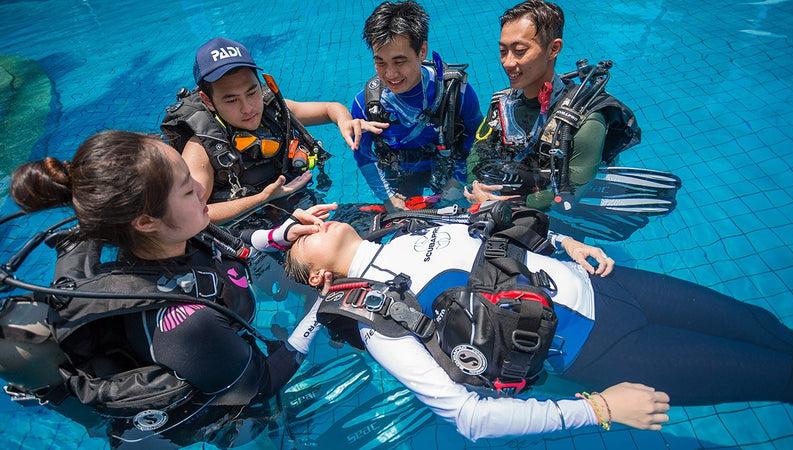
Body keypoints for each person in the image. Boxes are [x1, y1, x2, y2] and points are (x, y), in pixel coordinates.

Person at [283, 216, 793, 440]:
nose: (311, 225)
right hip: (607, 349)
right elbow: (469, 417)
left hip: (613, 285)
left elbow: (498, 240)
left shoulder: (403, 227)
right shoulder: (380, 322)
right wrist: (598, 408)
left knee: (764, 326)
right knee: (779, 376)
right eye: (301, 239)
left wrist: (565, 242)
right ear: (321, 278)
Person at [3, 131, 334, 448]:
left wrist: (278, 236)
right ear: (146, 221)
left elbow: (222, 246)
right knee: (259, 429)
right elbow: (261, 386)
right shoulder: (186, 323)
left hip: (214, 348)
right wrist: (321, 307)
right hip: (213, 410)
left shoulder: (165, 235)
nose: (202, 189)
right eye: (187, 190)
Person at [162, 37, 384, 224]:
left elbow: (329, 109)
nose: (248, 108)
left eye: (252, 92)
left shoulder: (273, 109)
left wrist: (344, 121)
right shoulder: (200, 148)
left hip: (299, 204)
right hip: (251, 229)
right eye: (231, 100)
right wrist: (262, 198)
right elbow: (193, 214)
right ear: (208, 101)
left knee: (377, 219)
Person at [465, 0, 640, 210]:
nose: (508, 63)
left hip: (551, 212)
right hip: (509, 194)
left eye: (519, 50)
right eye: (503, 51)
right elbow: (478, 149)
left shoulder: (585, 121)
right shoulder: (502, 104)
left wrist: (504, 206)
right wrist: (476, 186)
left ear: (553, 49)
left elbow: (572, 193)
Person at [351, 1, 483, 211]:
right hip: (401, 176)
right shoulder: (366, 103)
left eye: (399, 61)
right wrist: (387, 197)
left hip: (448, 170)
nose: (390, 74)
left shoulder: (455, 93)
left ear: (422, 51)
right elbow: (363, 154)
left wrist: (458, 180)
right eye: (380, 62)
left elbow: (477, 139)